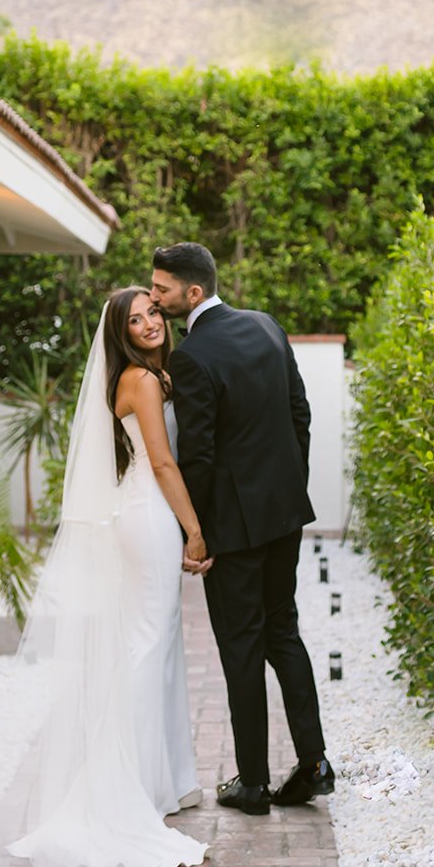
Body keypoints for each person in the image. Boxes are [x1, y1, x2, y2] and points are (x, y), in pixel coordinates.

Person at [0, 286, 208, 867]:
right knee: (146, 646)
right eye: (136, 319)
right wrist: (194, 530)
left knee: (154, 646)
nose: (150, 323)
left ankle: (154, 781)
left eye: (154, 312)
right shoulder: (139, 379)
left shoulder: (145, 375)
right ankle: (124, 787)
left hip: (141, 515)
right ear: (121, 333)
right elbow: (163, 464)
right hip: (152, 515)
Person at [151, 242, 335, 816]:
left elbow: (198, 457)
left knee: (240, 648)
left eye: (162, 290)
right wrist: (285, 487)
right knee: (284, 633)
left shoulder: (191, 356)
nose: (155, 299)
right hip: (285, 516)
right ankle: (314, 762)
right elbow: (299, 413)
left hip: (232, 530)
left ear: (194, 293)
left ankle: (252, 782)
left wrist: (194, 533)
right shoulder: (266, 326)